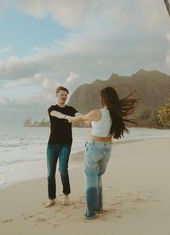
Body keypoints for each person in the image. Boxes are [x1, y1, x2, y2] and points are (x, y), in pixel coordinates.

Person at [51, 86, 138, 219]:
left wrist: (68, 118)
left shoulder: (97, 112)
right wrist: (84, 120)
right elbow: (92, 123)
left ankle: (90, 213)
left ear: (104, 99)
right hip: (107, 148)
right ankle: (99, 208)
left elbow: (80, 119)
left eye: (101, 96)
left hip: (94, 148)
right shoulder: (114, 115)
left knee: (90, 179)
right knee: (97, 177)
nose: (100, 98)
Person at [45, 86, 80, 208]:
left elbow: (77, 114)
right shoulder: (52, 108)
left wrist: (84, 118)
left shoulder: (70, 109)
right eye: (62, 94)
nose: (64, 97)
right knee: (50, 173)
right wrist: (66, 117)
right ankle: (52, 198)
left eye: (65, 95)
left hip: (66, 144)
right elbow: (56, 114)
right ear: (57, 95)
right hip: (52, 146)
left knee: (63, 170)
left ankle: (66, 195)